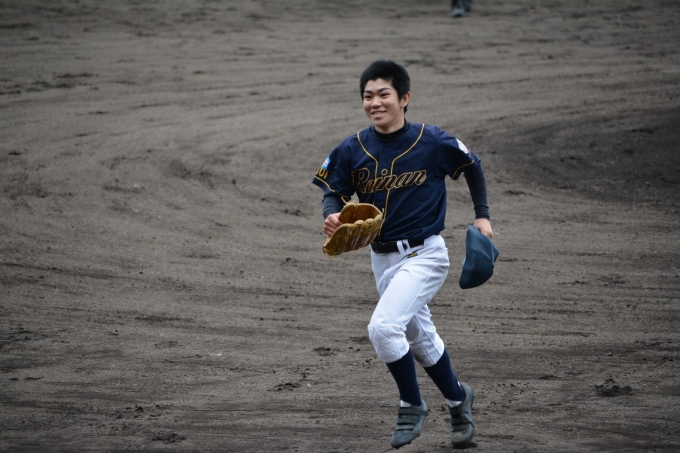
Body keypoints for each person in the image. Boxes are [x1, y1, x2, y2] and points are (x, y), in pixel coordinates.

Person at [311, 59, 493, 449]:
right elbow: (333, 190)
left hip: (426, 255)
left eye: (384, 94)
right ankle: (459, 400)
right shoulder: (353, 148)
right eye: (368, 96)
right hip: (382, 259)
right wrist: (333, 214)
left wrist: (482, 217)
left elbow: (472, 165)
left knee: (383, 328)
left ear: (404, 98)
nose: (375, 103)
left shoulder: (432, 141)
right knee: (420, 338)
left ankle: (411, 404)